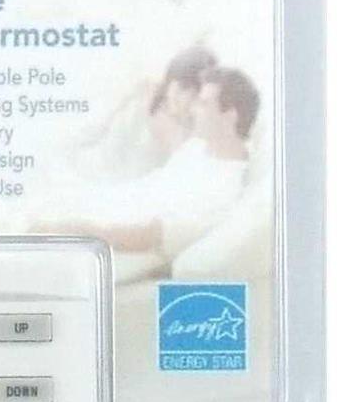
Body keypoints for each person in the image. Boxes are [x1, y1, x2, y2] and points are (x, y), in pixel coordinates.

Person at [56, 66, 259, 259]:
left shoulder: (223, 187)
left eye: (203, 104)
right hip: (106, 203)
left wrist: (75, 230)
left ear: (230, 116)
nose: (193, 109)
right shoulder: (198, 147)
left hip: (108, 234)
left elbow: (148, 235)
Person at [72, 46, 216, 178]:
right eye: (180, 87)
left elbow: (183, 174)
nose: (180, 97)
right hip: (99, 165)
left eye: (192, 93)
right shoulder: (145, 95)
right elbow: (104, 128)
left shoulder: (194, 134)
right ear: (170, 80)